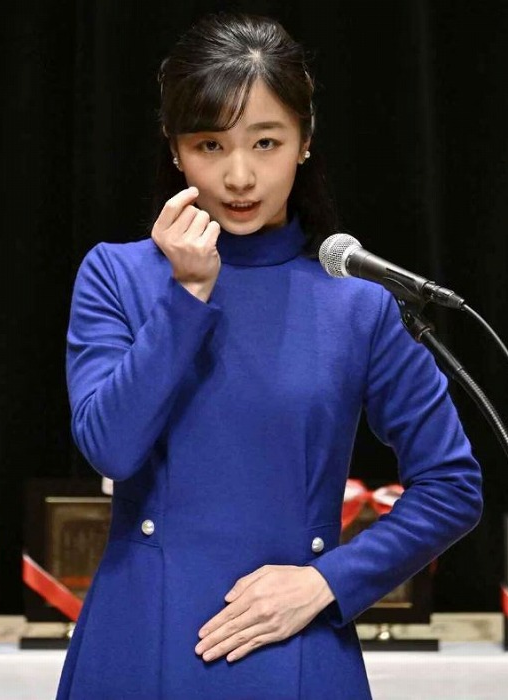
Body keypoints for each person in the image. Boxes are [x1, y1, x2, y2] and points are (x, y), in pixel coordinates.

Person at [56, 11, 483, 700]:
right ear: (174, 148)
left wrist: (327, 582)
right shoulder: (117, 275)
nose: (239, 175)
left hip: (293, 642)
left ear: (304, 142)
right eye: (209, 144)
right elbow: (110, 448)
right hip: (139, 638)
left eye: (265, 142)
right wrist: (187, 295)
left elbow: (452, 485)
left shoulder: (358, 303)